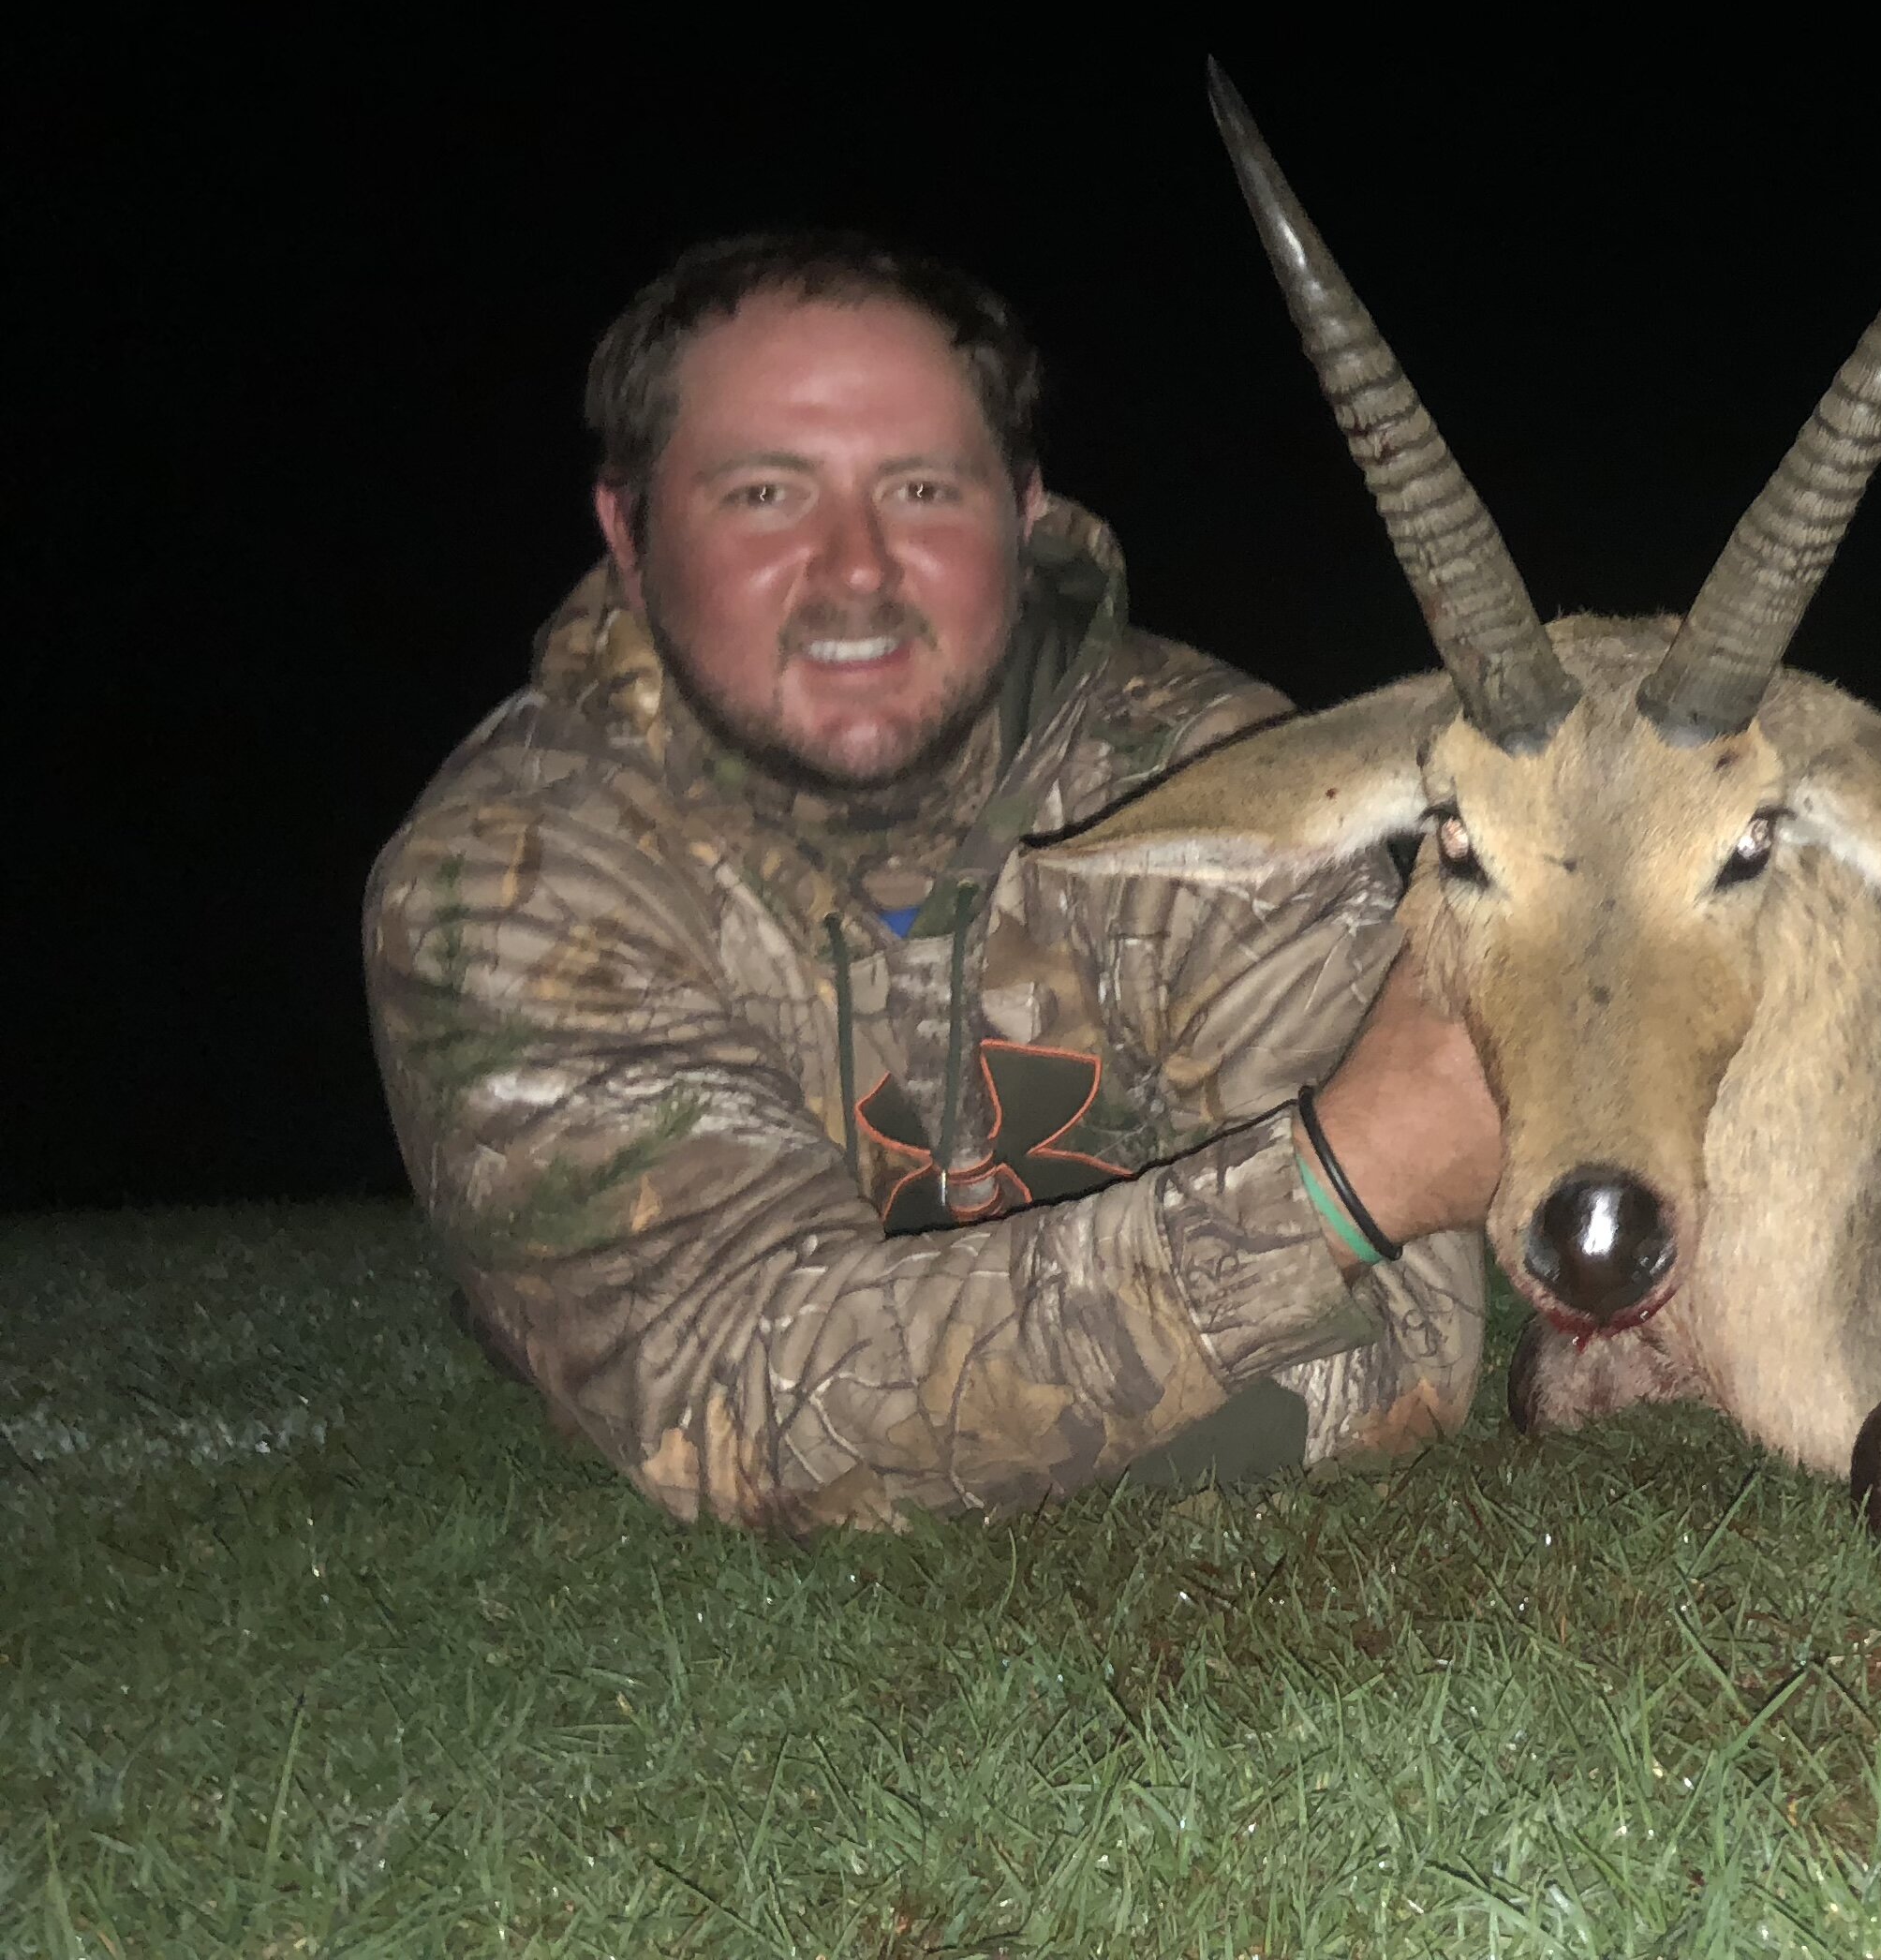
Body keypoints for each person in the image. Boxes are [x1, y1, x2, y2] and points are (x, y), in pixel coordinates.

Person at [364, 230, 1500, 1534]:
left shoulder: (1221, 768)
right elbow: (745, 1408)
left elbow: (1401, 1352)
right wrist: (1333, 1190)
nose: (856, 572)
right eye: (764, 495)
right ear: (629, 532)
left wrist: (923, 1408)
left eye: (921, 491)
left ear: (1022, 514)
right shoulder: (508, 882)